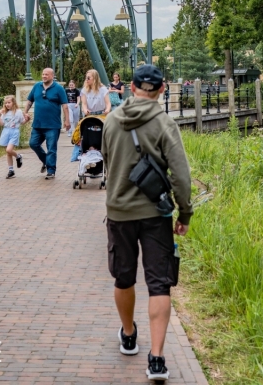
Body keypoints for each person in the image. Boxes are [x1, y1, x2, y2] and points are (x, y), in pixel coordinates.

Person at [102, 65, 192, 382]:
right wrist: (185, 214)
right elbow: (181, 175)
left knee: (123, 278)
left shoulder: (111, 120)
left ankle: (128, 335)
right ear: (162, 89)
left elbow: (107, 161)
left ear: (131, 86)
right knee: (159, 283)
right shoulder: (165, 123)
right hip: (156, 215)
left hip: (119, 213)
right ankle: (156, 359)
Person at [23, 68, 70, 179]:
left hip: (53, 125)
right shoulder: (36, 86)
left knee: (51, 148)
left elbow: (65, 106)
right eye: (43, 74)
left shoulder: (59, 88)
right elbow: (29, 101)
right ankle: (46, 161)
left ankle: (51, 171)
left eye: (46, 74)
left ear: (52, 76)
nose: (44, 76)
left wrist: (67, 120)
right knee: (33, 144)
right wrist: (24, 112)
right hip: (38, 124)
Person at [0, 95, 26, 179]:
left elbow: (22, 122)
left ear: (13, 103)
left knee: (9, 150)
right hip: (6, 131)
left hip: (14, 132)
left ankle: (18, 156)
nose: (7, 104)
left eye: (9, 102)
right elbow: (1, 124)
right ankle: (11, 170)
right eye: (6, 103)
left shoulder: (18, 111)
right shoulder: (4, 112)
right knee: (8, 152)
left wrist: (27, 119)